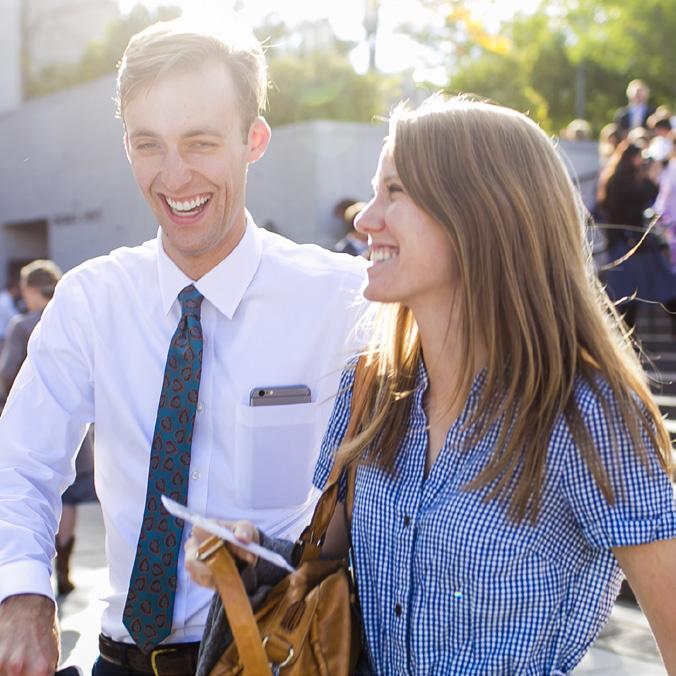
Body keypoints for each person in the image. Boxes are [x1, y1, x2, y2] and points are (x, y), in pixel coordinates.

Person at [187, 95, 676, 674]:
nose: (365, 219)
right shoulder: (367, 386)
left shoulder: (588, 414)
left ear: (480, 213)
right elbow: (322, 568)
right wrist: (249, 557)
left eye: (394, 192)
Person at [0, 15, 366, 676]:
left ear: (254, 140)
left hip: (277, 656)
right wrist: (24, 594)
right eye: (149, 145)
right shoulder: (90, 301)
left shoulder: (344, 299)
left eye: (200, 142)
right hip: (120, 657)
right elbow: (21, 462)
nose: (174, 177)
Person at [0, 260, 95, 597]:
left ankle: (32, 577)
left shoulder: (23, 325)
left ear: (28, 289)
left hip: (32, 422)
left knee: (29, 488)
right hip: (80, 426)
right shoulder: (76, 317)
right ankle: (64, 570)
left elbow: (9, 373)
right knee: (68, 497)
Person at [596, 140, 676, 328]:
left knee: (632, 295)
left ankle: (625, 336)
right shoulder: (622, 180)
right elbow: (641, 197)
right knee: (637, 292)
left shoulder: (615, 177)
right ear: (632, 158)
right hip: (631, 245)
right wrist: (651, 177)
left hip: (630, 245)